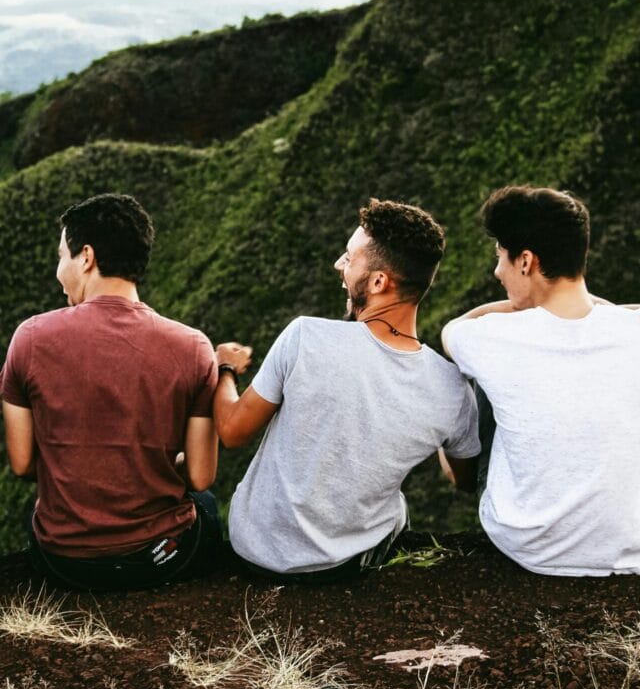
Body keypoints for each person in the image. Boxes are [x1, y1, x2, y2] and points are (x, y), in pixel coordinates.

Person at [214, 198, 480, 582]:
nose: (339, 265)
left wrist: (225, 368)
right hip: (343, 566)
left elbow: (232, 431)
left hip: (255, 551)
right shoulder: (452, 389)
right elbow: (464, 480)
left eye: (350, 258)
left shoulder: (305, 337)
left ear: (378, 282)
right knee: (396, 506)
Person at [1, 193, 222, 590]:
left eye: (61, 257)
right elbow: (201, 475)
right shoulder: (194, 347)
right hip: (158, 559)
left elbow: (22, 463)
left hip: (65, 562)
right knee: (205, 505)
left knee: (37, 519)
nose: (58, 271)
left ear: (86, 257)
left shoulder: (30, 338)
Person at [442, 185, 640, 576]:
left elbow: (451, 331)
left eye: (500, 255)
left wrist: (519, 307)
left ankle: (468, 483)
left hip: (533, 546)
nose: (497, 272)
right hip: (632, 546)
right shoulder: (630, 328)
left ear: (526, 261)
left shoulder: (490, 336)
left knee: (472, 379)